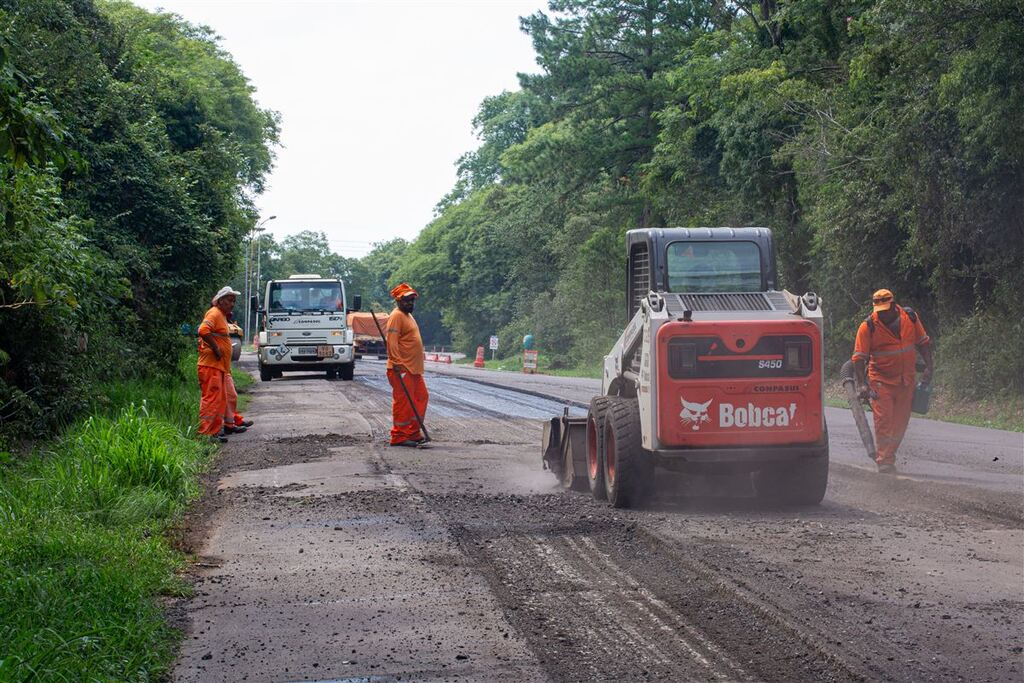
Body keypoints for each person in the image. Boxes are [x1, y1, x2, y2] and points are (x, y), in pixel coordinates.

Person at [852, 289, 934, 473]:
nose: (881, 313)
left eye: (884, 309)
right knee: (884, 421)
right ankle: (884, 460)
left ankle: (889, 455)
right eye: (878, 309)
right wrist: (862, 384)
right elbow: (858, 358)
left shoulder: (910, 318)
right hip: (881, 381)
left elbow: (923, 342)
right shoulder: (868, 327)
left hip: (906, 380)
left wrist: (929, 366)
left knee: (900, 422)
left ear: (893, 305)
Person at [385, 283, 428, 447]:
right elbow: (392, 342)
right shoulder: (396, 316)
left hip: (414, 369)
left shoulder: (408, 316)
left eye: (412, 300)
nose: (410, 303)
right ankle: (399, 436)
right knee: (403, 403)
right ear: (398, 301)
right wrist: (396, 362)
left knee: (421, 398)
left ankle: (412, 433)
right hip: (402, 368)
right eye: (406, 300)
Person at [197, 286, 240, 443]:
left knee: (219, 400)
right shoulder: (214, 313)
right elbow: (203, 330)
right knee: (212, 399)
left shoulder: (221, 315)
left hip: (218, 367)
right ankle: (206, 433)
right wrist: (216, 348)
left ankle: (214, 431)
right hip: (210, 366)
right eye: (230, 300)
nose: (232, 304)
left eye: (233, 301)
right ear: (220, 301)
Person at [223, 313, 253, 433]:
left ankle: (232, 422)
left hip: (223, 366)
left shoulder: (221, 318)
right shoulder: (215, 316)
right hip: (216, 367)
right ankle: (223, 427)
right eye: (230, 301)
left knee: (230, 396)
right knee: (226, 397)